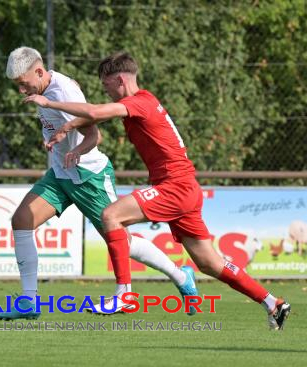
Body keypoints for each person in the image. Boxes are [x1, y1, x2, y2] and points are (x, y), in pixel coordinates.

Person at [24, 51, 291, 330]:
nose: (105, 90)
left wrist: (48, 101)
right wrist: (68, 125)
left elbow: (94, 112)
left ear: (120, 80)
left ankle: (124, 294)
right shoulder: (144, 101)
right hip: (184, 187)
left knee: (111, 216)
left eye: (106, 85)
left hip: (175, 186)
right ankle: (274, 303)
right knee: (210, 264)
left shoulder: (140, 101)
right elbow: (95, 117)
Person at [0, 47, 198, 321]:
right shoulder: (44, 89)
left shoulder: (62, 91)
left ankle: (179, 274)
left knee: (120, 240)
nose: (21, 90)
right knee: (21, 220)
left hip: (90, 177)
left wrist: (77, 151)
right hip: (61, 175)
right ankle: (28, 302)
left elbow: (95, 136)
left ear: (39, 72)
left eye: (23, 83)